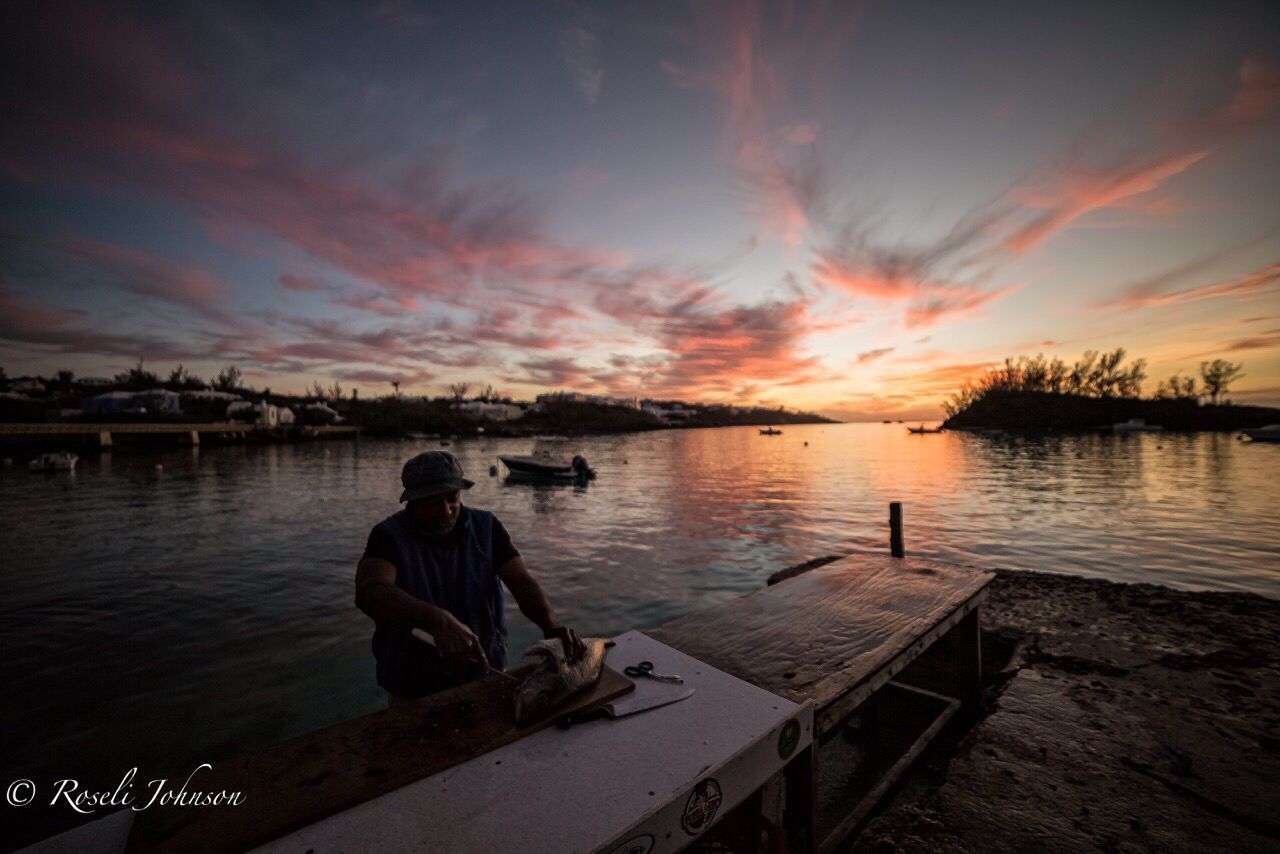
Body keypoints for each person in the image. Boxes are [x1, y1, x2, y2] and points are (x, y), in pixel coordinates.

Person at [355, 450, 585, 700]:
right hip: (412, 686)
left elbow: (520, 581)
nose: (445, 510)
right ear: (413, 501)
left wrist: (551, 626)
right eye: (432, 502)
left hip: (484, 672)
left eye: (452, 498)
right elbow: (371, 591)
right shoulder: (388, 536)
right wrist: (437, 620)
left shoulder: (487, 527)